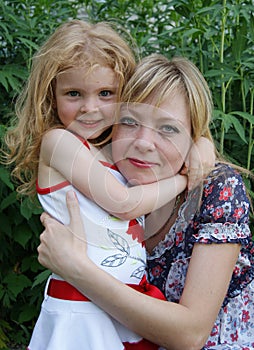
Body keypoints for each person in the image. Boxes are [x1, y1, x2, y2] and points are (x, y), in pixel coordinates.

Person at [3, 20, 214, 349]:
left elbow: (177, 134)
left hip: (119, 304)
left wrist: (202, 145)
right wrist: (184, 179)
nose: (91, 108)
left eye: (106, 93)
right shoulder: (60, 143)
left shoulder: (109, 150)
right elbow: (123, 202)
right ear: (51, 96)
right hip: (79, 305)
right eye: (74, 94)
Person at [38, 54, 254, 350]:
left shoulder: (217, 188)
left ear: (193, 134)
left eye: (168, 128)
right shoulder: (106, 175)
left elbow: (190, 335)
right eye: (129, 121)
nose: (143, 142)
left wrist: (75, 269)